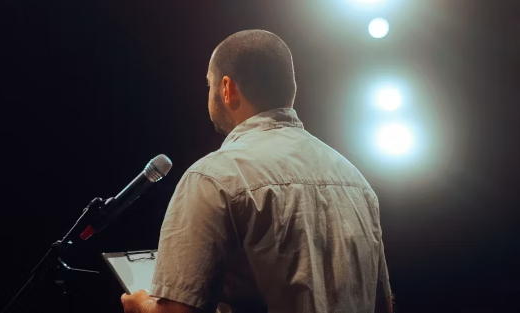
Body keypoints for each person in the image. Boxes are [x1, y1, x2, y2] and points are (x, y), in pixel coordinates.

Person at [121, 30, 393, 313]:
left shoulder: (213, 178)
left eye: (209, 84)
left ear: (226, 89)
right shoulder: (356, 182)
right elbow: (382, 304)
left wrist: (140, 305)